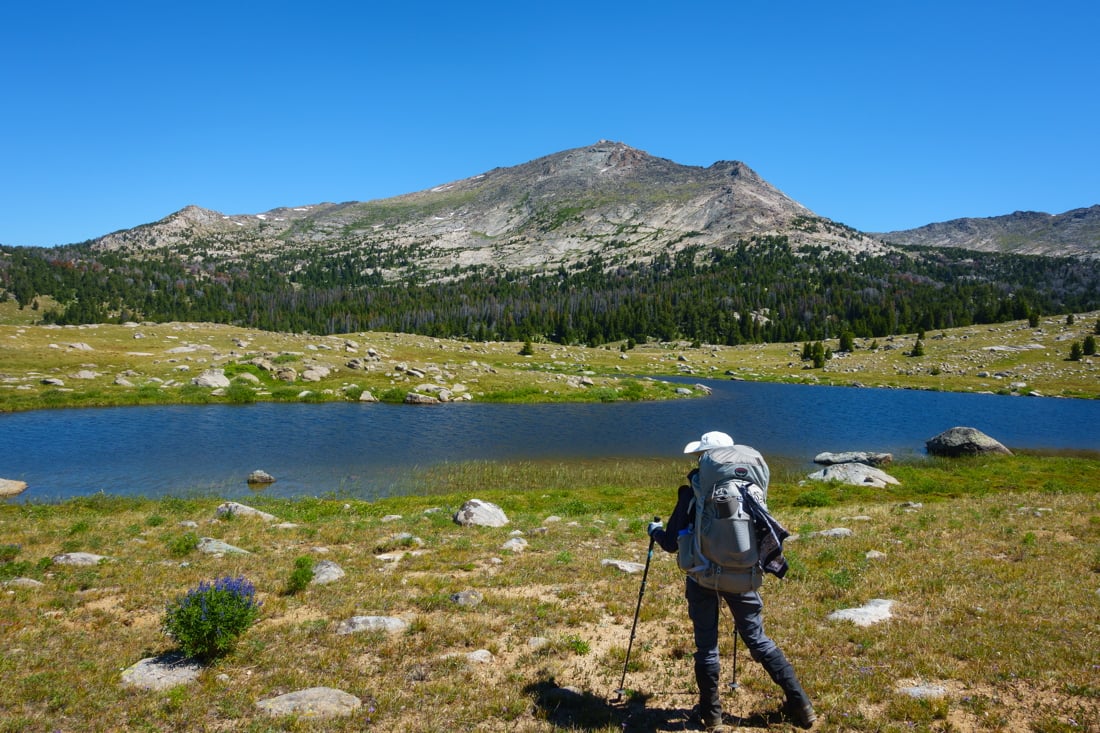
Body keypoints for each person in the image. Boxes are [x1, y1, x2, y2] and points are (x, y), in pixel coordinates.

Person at [648, 431, 816, 730]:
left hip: (703, 576)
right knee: (758, 640)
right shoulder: (751, 487)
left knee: (707, 647)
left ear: (705, 459)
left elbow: (672, 543)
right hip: (745, 578)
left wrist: (655, 532)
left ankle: (711, 716)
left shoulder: (692, 492)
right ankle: (801, 704)